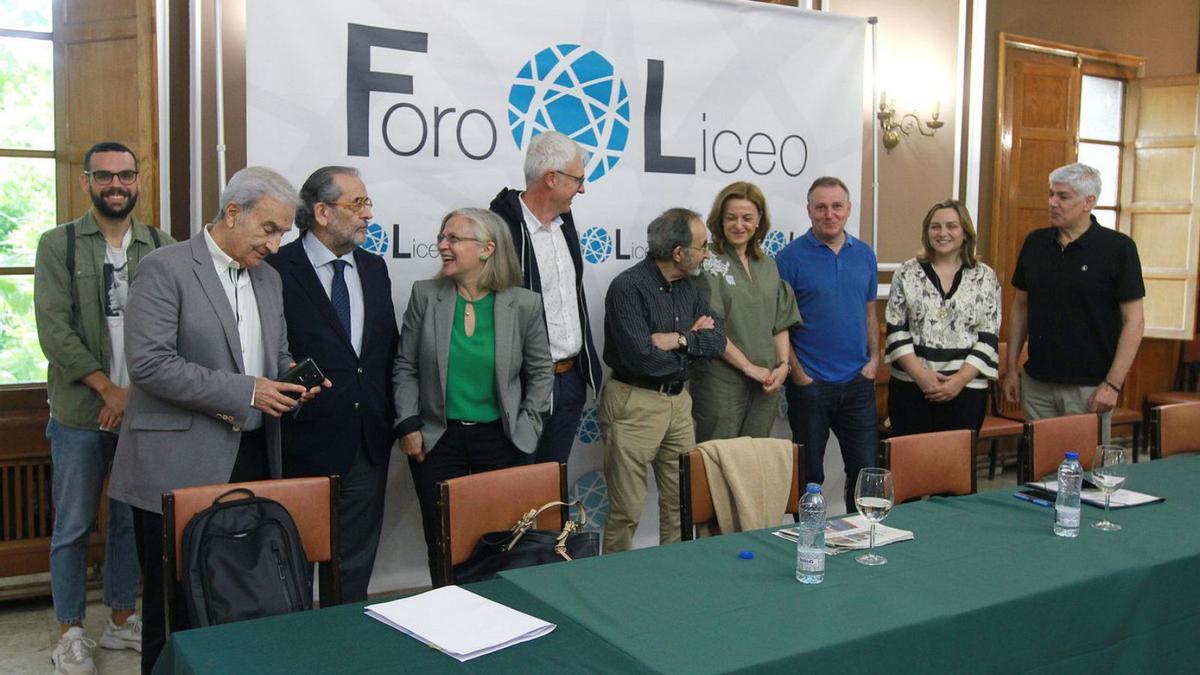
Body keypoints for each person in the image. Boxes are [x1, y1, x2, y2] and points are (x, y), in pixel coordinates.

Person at [108, 166, 325, 674]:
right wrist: (248, 390)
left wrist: (292, 382)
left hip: (253, 456)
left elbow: (276, 356)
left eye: (283, 234)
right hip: (176, 465)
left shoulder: (269, 279)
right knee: (173, 609)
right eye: (268, 230)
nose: (275, 245)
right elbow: (149, 365)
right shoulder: (165, 267)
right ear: (233, 212)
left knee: (243, 598)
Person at [34, 141, 175, 674]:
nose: (116, 185)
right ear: (86, 182)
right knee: (71, 526)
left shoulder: (163, 246)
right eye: (104, 176)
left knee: (126, 524)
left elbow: (173, 332)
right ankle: (70, 629)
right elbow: (55, 331)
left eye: (126, 176)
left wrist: (132, 396)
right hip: (79, 415)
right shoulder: (59, 245)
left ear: (139, 181)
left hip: (141, 415)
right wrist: (106, 390)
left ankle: (120, 623)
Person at [393, 208, 553, 578]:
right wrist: (407, 424)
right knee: (443, 541)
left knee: (502, 542)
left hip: (502, 440)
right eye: (442, 237)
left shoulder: (523, 304)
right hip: (437, 439)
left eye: (454, 239)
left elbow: (541, 371)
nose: (442, 246)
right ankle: (447, 621)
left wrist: (528, 423)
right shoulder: (425, 295)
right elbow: (406, 366)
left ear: (487, 249)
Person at [267, 166, 398, 603]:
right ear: (321, 212)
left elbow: (384, 353)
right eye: (357, 203)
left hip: (366, 445)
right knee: (293, 566)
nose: (368, 214)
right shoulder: (275, 270)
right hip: (300, 444)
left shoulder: (375, 268)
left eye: (367, 204)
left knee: (354, 569)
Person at [600, 208, 726, 552]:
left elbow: (717, 340)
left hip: (678, 404)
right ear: (678, 252)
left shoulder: (693, 288)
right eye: (702, 246)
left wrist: (679, 339)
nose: (706, 254)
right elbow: (642, 358)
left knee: (680, 503)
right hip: (634, 402)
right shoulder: (628, 287)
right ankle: (612, 583)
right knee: (626, 509)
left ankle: (674, 577)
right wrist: (692, 341)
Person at [1002, 162, 1145, 443]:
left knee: (1085, 477)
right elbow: (1020, 308)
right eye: (1051, 194)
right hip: (1038, 383)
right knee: (1040, 476)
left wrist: (1113, 385)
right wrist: (1011, 370)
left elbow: (1134, 321)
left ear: (1088, 202)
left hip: (1090, 387)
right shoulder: (1035, 243)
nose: (1052, 203)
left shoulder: (1118, 248)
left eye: (1063, 196)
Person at [489, 130, 602, 466]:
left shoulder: (564, 225)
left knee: (552, 493)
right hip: (523, 386)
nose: (582, 189)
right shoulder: (498, 230)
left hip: (570, 383)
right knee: (517, 497)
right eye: (578, 179)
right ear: (551, 178)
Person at [775, 176, 880, 512]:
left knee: (865, 470)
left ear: (848, 209)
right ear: (809, 211)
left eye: (837, 206)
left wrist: (874, 359)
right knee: (809, 474)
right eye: (821, 207)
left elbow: (869, 313)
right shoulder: (788, 259)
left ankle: (862, 535)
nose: (829, 214)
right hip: (811, 385)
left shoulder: (864, 254)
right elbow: (779, 325)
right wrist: (799, 373)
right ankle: (808, 541)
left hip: (857, 382)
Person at [690, 181, 800, 442]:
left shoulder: (768, 265)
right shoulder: (708, 261)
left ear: (759, 220)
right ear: (720, 219)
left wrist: (783, 365)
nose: (739, 225)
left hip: (765, 383)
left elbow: (779, 322)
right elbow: (711, 327)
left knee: (754, 462)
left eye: (747, 218)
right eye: (731, 218)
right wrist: (749, 368)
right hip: (721, 383)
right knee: (718, 463)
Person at [884, 199, 1001, 435]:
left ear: (965, 232)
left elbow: (989, 336)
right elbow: (896, 330)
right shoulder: (906, 273)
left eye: (952, 226)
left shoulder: (985, 277)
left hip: (966, 390)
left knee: (954, 466)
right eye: (935, 227)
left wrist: (957, 381)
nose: (943, 233)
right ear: (927, 232)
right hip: (911, 387)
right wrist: (921, 376)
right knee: (911, 462)